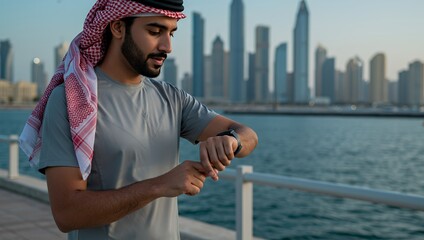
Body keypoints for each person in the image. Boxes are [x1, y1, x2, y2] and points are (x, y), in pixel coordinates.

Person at [18, 0, 258, 239]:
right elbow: (67, 214)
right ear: (118, 28)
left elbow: (248, 135)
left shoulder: (172, 98)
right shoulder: (73, 99)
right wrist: (159, 185)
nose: (167, 46)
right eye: (154, 31)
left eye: (172, 33)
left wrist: (231, 141)